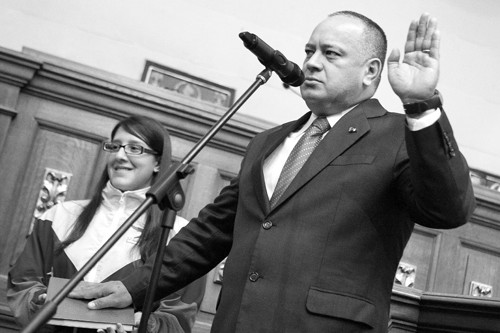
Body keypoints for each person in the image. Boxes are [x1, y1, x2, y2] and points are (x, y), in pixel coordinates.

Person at [70, 11, 476, 332]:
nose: (312, 63)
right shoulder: (268, 142)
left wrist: (421, 107)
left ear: (370, 72)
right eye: (309, 51)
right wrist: (134, 285)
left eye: (330, 54)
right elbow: (211, 232)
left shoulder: (398, 136)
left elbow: (448, 210)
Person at [7, 115, 205, 333]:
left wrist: (145, 325)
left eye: (135, 148)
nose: (120, 155)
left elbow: (179, 319)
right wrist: (39, 301)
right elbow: (22, 284)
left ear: (158, 162)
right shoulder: (59, 216)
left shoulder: (180, 236)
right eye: (114, 146)